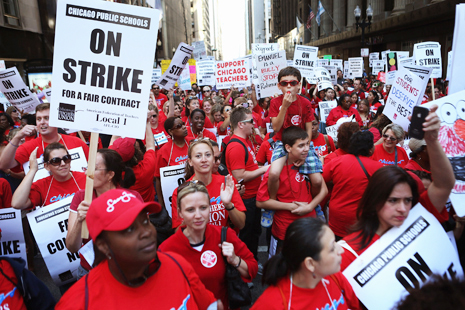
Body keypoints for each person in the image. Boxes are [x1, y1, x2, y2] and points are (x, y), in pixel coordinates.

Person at [57, 189, 222, 310]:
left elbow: (209, 305)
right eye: (129, 229)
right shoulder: (80, 303)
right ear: (102, 245)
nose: (146, 232)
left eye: (144, 222)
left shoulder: (176, 264)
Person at [340, 105, 455, 270]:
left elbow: (444, 184)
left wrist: (432, 140)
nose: (403, 209)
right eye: (392, 200)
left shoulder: (417, 218)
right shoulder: (349, 251)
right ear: (374, 200)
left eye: (408, 200)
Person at [159, 182, 257, 309]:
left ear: (210, 208)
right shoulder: (167, 249)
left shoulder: (225, 235)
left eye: (203, 208)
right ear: (180, 213)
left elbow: (253, 268)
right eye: (190, 210)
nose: (198, 215)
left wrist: (235, 260)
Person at [251, 217, 360, 310]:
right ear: (310, 264)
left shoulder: (334, 276)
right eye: (332, 248)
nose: (341, 250)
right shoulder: (273, 304)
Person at [66, 149, 141, 276]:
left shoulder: (131, 197)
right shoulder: (81, 197)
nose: (86, 173)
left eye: (94, 169)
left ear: (110, 174)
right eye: (87, 168)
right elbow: (72, 247)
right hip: (90, 271)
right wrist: (79, 220)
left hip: (124, 270)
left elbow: (142, 239)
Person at [257, 127, 328, 256]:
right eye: (301, 146)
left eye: (307, 144)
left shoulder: (311, 166)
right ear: (288, 148)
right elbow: (261, 202)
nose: (306, 148)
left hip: (309, 227)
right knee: (279, 268)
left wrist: (310, 207)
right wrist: (291, 206)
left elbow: (324, 190)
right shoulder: (275, 171)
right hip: (284, 230)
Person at [170, 139, 246, 229]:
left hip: (223, 240)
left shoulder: (226, 183)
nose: (204, 160)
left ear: (213, 159)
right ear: (190, 162)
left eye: (208, 155)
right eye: (198, 156)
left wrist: (228, 205)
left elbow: (241, 224)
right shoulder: (182, 192)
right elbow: (178, 232)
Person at [323, 131, 384, 239]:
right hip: (361, 219)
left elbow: (319, 179)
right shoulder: (379, 168)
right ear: (370, 149)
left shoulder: (337, 162)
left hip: (337, 217)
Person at [225, 107, 268, 259]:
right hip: (245, 200)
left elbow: (250, 167)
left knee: (254, 233)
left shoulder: (244, 142)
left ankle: (252, 264)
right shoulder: (236, 146)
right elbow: (239, 175)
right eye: (251, 122)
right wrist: (264, 170)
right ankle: (245, 270)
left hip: (252, 198)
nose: (254, 125)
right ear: (241, 124)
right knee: (246, 236)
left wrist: (262, 168)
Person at [0, 103, 89, 171]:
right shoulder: (29, 147)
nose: (42, 122)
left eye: (47, 118)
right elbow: (3, 165)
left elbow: (93, 167)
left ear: (56, 120)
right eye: (39, 119)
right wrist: (17, 137)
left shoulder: (77, 142)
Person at [11, 143, 86, 209]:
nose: (63, 163)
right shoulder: (42, 186)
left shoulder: (85, 178)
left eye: (66, 159)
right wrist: (32, 170)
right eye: (56, 161)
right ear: (47, 166)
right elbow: (17, 203)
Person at [109, 122, 156, 202]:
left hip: (123, 212)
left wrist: (119, 120)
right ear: (136, 152)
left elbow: (113, 139)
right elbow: (150, 146)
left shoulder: (110, 172)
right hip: (147, 212)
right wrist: (147, 123)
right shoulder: (145, 168)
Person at [154, 117, 189, 211]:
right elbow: (158, 179)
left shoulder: (193, 143)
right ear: (170, 131)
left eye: (183, 124)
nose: (184, 127)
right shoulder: (163, 151)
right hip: (176, 199)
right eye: (179, 126)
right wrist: (162, 205)